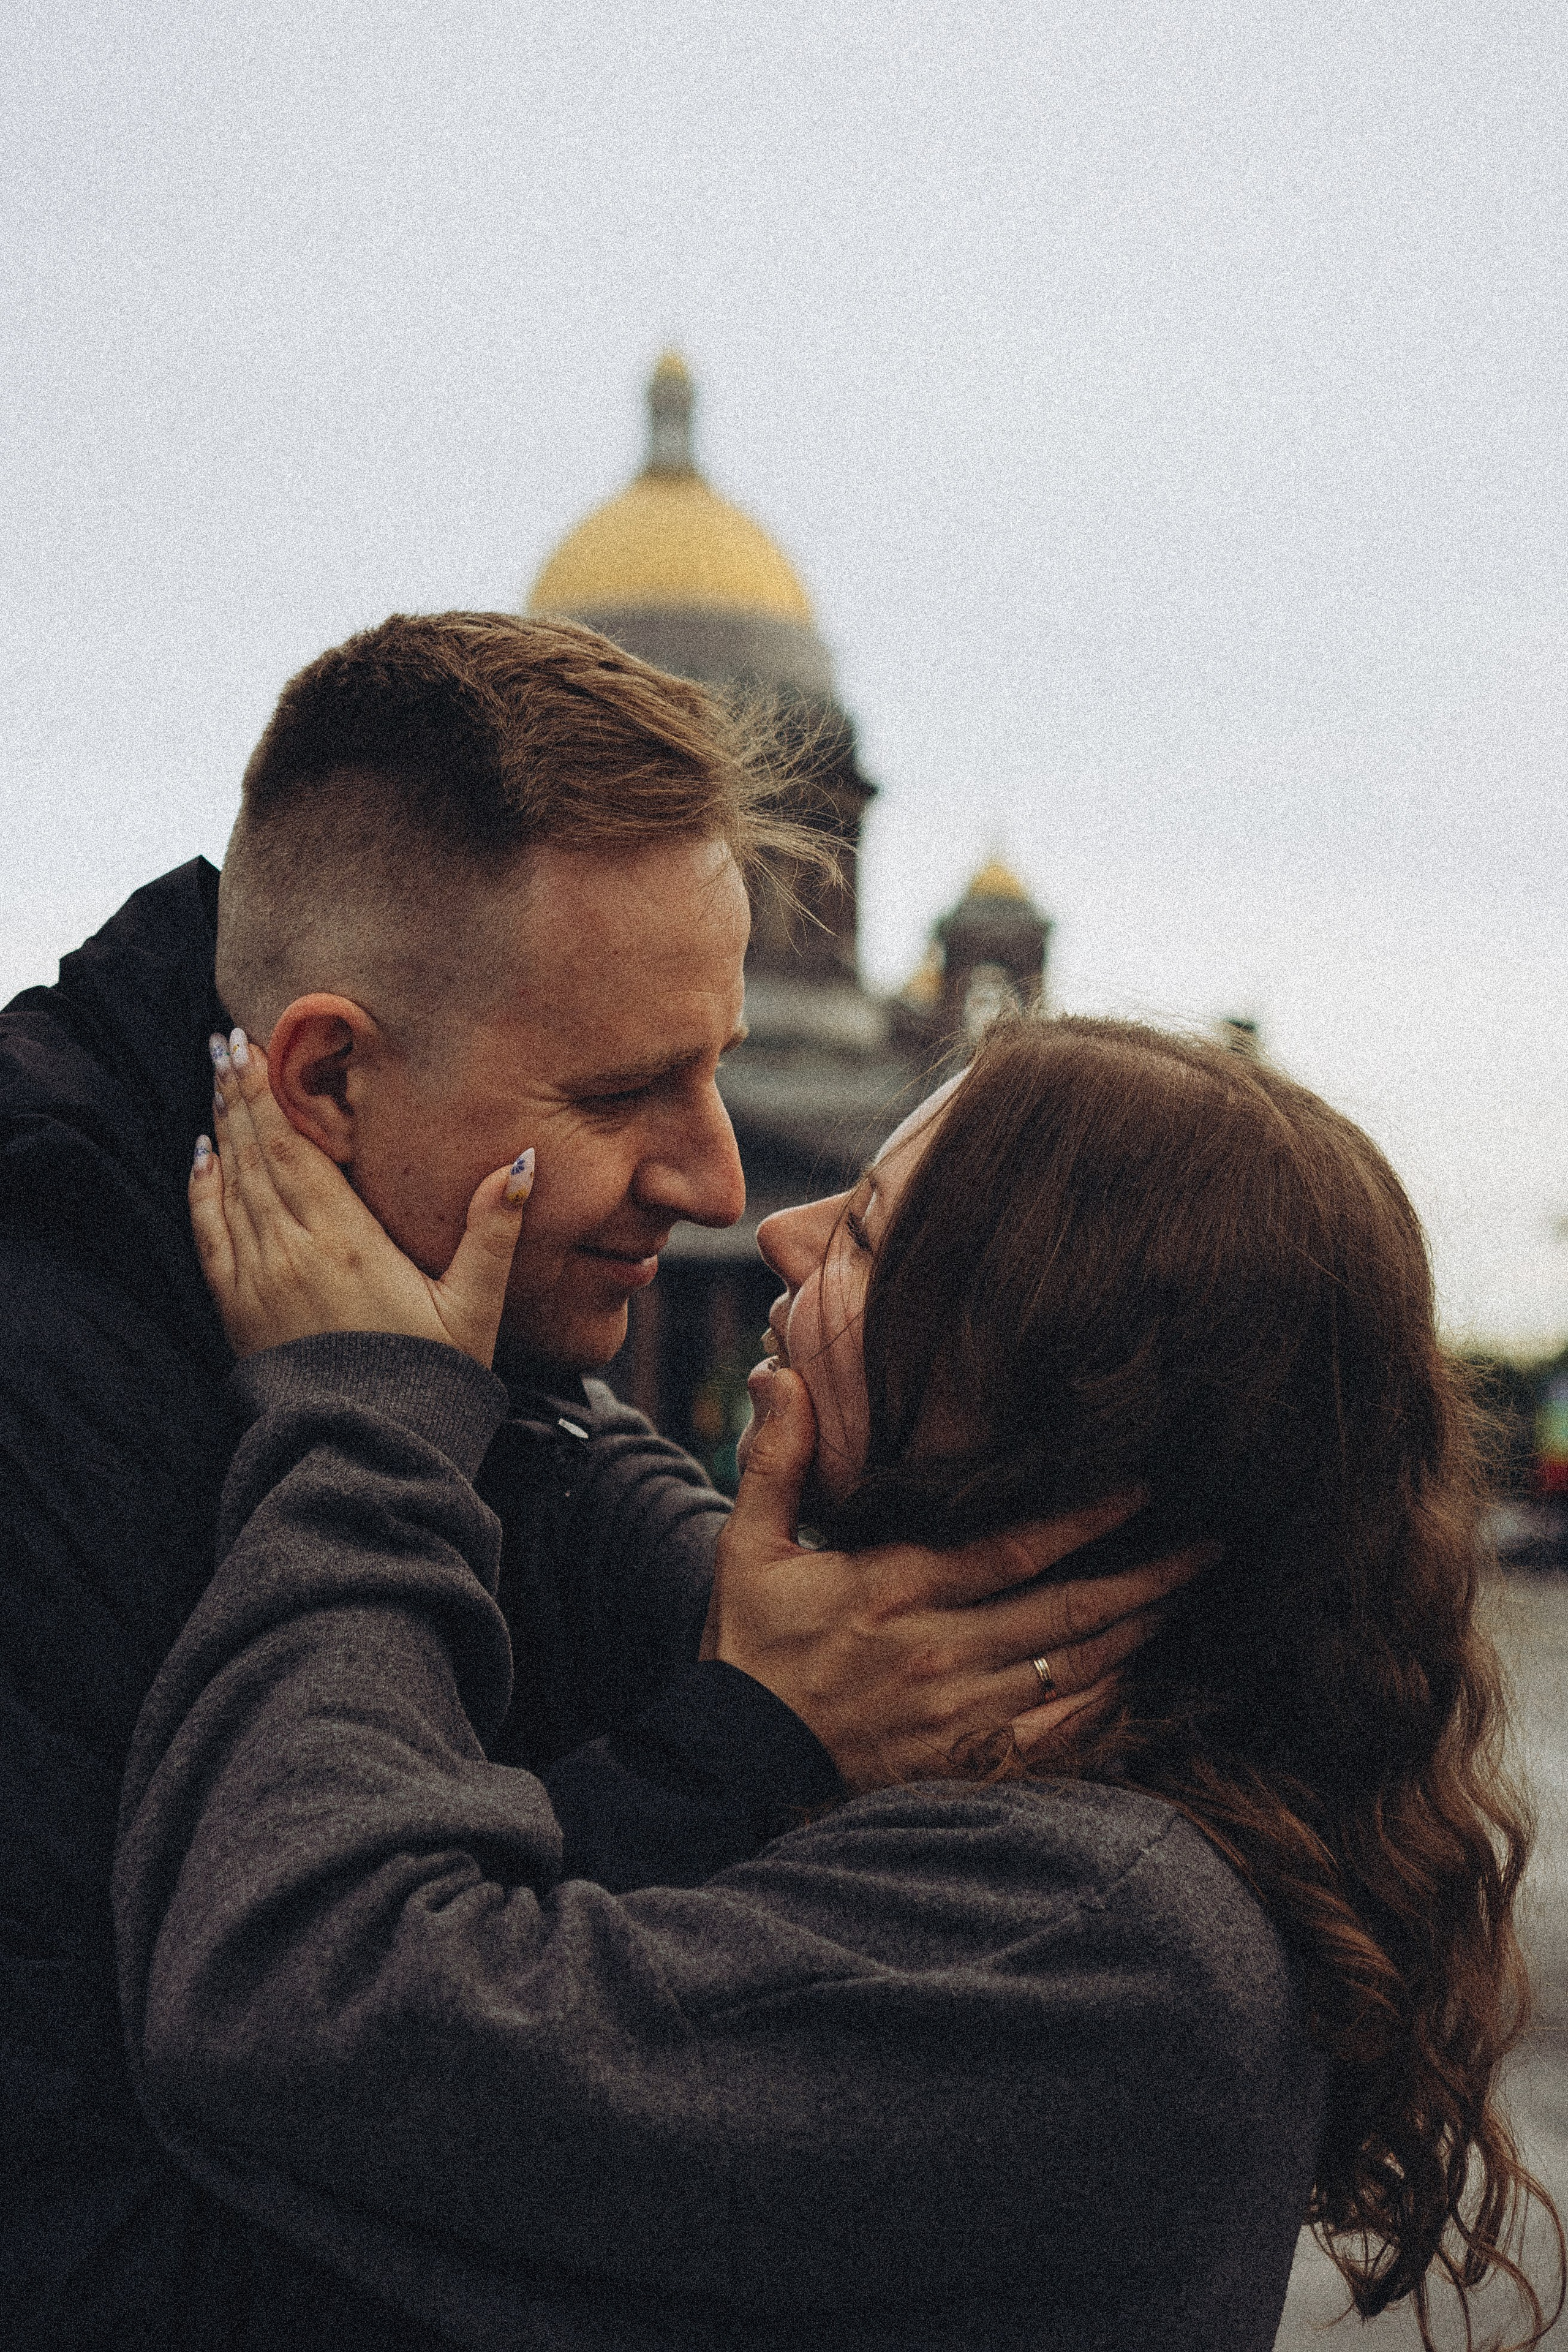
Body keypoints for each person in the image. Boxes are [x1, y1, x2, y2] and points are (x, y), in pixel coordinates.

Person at [1, 612, 1185, 2348]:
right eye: (630, 1091)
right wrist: (731, 1753)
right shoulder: (43, 1404)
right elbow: (84, 2259)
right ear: (325, 1075)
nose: (719, 1183)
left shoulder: (467, 1345)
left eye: (714, 1068)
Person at [116, 1014, 1561, 2351]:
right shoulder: (1074, 1802)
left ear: (1013, 1397)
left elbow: (295, 1995)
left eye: (866, 1233)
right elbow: (654, 1531)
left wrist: (372, 1415)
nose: (780, 1232)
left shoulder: (1082, 1937)